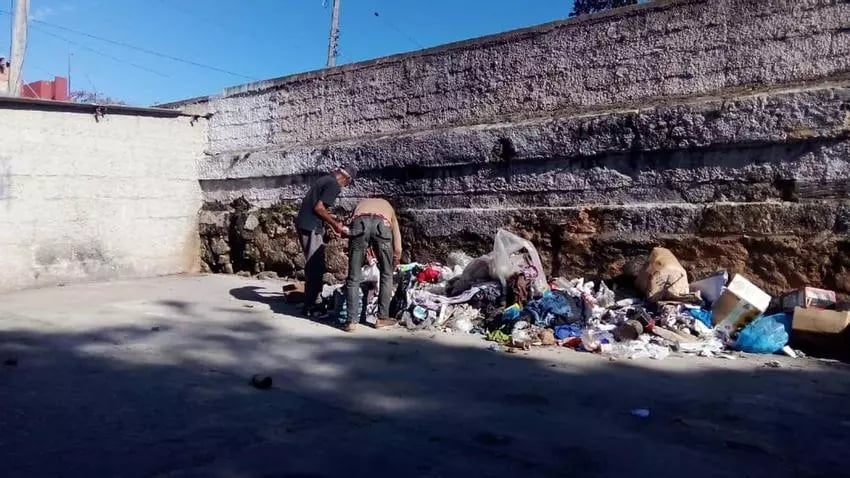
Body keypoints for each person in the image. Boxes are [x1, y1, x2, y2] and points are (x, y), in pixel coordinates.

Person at [294, 165, 356, 315]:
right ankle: (312, 304)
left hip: (305, 223)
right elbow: (319, 208)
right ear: (346, 178)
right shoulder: (334, 185)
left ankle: (311, 301)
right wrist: (336, 225)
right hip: (310, 226)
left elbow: (318, 208)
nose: (345, 186)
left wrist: (331, 224)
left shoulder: (325, 179)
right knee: (315, 265)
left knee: (313, 264)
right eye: (347, 184)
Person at [343, 198, 402, 332]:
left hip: (359, 223)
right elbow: (397, 244)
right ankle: (382, 318)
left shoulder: (360, 205)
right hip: (382, 225)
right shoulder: (388, 207)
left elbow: (350, 228)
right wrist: (395, 259)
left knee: (353, 277)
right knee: (386, 274)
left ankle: (351, 322)